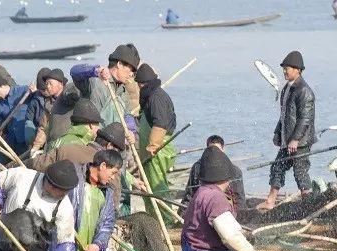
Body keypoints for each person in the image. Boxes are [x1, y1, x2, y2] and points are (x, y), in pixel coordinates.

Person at [257, 51, 316, 211]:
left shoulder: (304, 90)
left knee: (300, 172)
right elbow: (284, 115)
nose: (284, 71)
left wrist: (295, 139)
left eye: (287, 68)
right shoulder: (286, 89)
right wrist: (278, 134)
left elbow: (305, 119)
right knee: (277, 167)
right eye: (283, 68)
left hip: (300, 142)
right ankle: (270, 201)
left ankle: (308, 205)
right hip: (287, 139)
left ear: (298, 70)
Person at [69, 44, 139, 131]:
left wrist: (131, 130)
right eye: (130, 69)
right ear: (119, 64)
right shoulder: (95, 80)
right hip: (90, 139)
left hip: (111, 142)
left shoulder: (123, 91)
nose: (131, 74)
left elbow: (127, 114)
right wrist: (96, 70)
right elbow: (74, 72)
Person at [134, 63, 177, 195]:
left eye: (139, 84)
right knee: (149, 188)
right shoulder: (150, 96)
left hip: (157, 151)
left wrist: (152, 146)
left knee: (157, 189)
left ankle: (165, 216)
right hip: (150, 151)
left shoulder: (156, 97)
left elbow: (160, 124)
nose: (138, 87)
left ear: (143, 84)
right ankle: (152, 215)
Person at [182, 135, 246, 214]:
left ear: (223, 150)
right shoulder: (197, 168)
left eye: (217, 151)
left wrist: (240, 217)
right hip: (204, 208)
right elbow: (189, 195)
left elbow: (240, 199)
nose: (214, 155)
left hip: (227, 210)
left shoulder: (234, 171)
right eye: (211, 151)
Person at [0, 70, 35, 166]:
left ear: (0, 87)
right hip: (11, 142)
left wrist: (35, 90)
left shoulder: (23, 91)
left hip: (26, 141)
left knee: (26, 165)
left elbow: (39, 98)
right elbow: (0, 124)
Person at [34, 69, 79, 151]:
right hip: (54, 145)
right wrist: (36, 146)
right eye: (47, 84)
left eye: (50, 83)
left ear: (61, 84)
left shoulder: (71, 97)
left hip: (70, 144)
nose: (47, 86)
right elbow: (44, 127)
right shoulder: (48, 103)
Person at [24, 67, 53, 148]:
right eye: (41, 89)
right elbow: (29, 119)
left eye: (45, 89)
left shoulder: (57, 98)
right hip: (38, 133)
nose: (44, 92)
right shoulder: (35, 99)